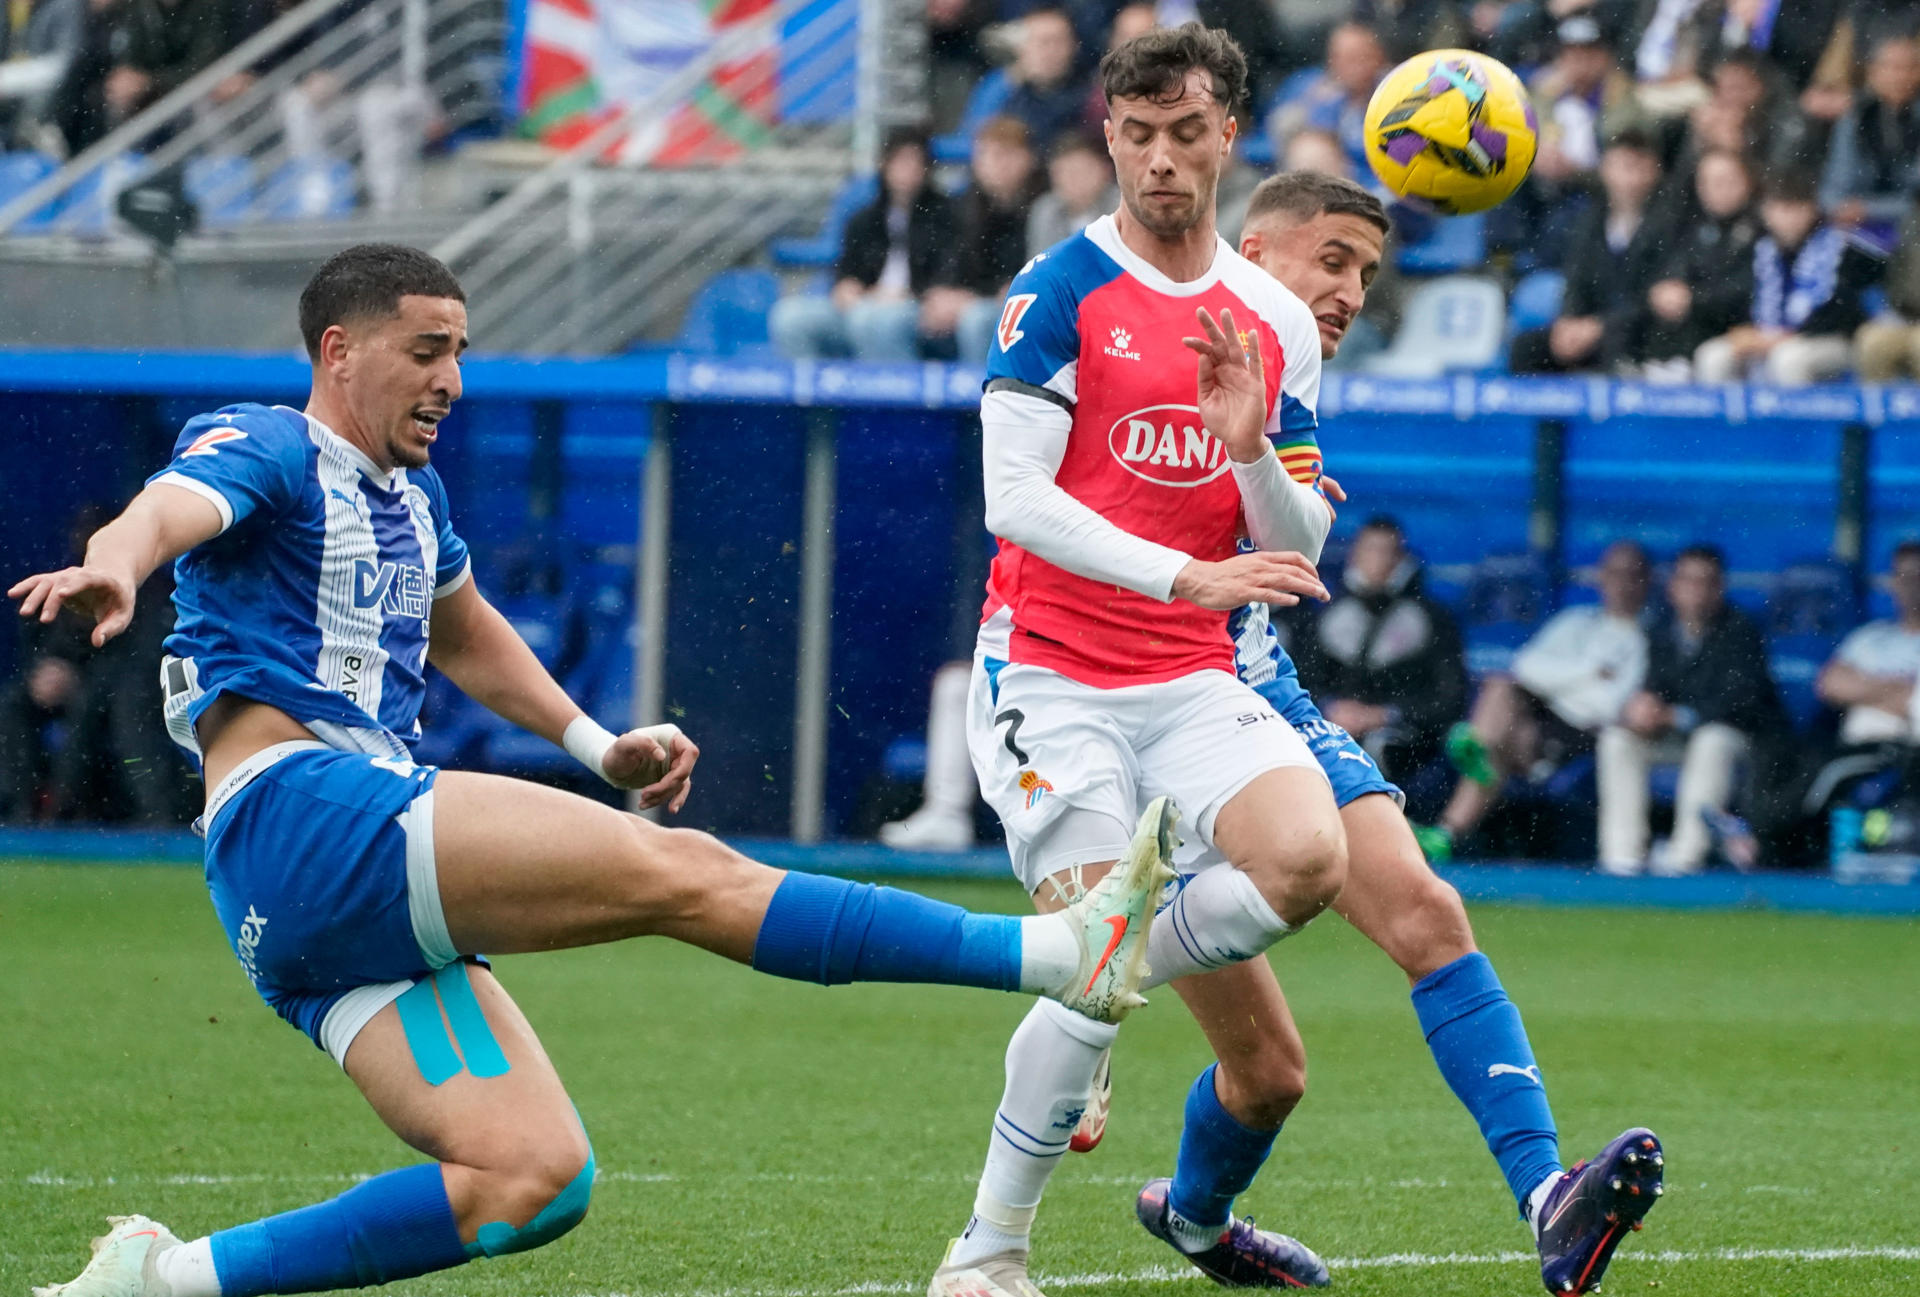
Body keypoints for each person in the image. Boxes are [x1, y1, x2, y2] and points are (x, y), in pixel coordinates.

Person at [20, 243, 1175, 1297]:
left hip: (304, 908)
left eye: (461, 354)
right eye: (426, 352)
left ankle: (162, 1282)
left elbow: (464, 627)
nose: (451, 381)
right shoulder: (274, 443)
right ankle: (1059, 955)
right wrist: (118, 561)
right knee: (679, 873)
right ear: (338, 350)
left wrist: (593, 743)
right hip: (306, 812)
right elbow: (172, 506)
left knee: (529, 1177)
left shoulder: (414, 499)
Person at [927, 24, 1352, 1296]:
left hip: (1185, 674)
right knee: (1096, 974)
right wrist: (1186, 572)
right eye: (1137, 134)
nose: (1162, 159)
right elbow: (1013, 498)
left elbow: (1302, 538)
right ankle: (986, 1254)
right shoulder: (1056, 289)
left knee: (1307, 859)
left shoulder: (1277, 317)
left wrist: (1246, 452)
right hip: (1049, 669)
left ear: (1229, 134)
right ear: (1108, 135)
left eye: (1186, 132)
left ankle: (1099, 963)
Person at [1422, 540, 1653, 859]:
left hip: (1580, 736)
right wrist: (1590, 672)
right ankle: (1445, 835)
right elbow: (1526, 666)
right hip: (1535, 719)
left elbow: (1607, 705)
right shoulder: (1577, 620)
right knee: (1501, 685)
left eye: (1631, 574)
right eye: (1614, 573)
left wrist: (1556, 682)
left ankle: (1473, 748)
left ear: (1646, 580)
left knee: (1496, 740)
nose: (1622, 583)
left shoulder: (1647, 638)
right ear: (1601, 576)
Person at [1597, 544, 1786, 876]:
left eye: (1706, 581)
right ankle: (1621, 859)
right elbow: (1654, 685)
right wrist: (1645, 709)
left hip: (1739, 741)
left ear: (1721, 588)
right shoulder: (1660, 630)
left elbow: (1738, 703)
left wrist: (1676, 715)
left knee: (1712, 740)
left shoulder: (1741, 631)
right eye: (1688, 580)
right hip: (1675, 738)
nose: (1696, 590)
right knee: (1617, 740)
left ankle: (1684, 859)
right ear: (1673, 586)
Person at [1290, 514, 1468, 782]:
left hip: (1405, 735)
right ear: (1354, 556)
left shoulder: (1432, 619)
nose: (1377, 561)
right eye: (1369, 550)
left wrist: (1386, 714)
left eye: (1386, 552)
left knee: (1380, 751)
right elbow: (1303, 680)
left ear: (1401, 558)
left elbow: (1449, 698)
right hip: (1334, 726)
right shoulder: (1328, 615)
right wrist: (1330, 707)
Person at [769, 129, 956, 361]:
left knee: (874, 320)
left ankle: (890, 392)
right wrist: (846, 286)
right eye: (900, 161)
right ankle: (814, 396)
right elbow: (847, 270)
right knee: (790, 317)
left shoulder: (946, 216)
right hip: (866, 303)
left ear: (927, 168)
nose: (907, 170)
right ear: (885, 164)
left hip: (913, 309)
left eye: (914, 161)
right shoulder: (864, 218)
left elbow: (948, 276)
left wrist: (909, 295)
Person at [1692, 170, 1882, 385]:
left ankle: (1798, 419)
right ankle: (1731, 420)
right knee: (1712, 355)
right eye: (1779, 208)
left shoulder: (1841, 248)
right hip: (1767, 337)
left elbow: (1842, 312)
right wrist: (1746, 332)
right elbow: (1741, 298)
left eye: (1794, 208)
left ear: (1811, 209)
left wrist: (1782, 337)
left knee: (1787, 358)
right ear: (1765, 212)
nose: (1786, 218)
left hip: (1831, 341)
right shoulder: (1759, 250)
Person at [1511, 127, 1676, 374]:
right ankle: (1547, 414)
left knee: (1617, 347)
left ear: (1655, 171)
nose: (1629, 178)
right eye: (1622, 166)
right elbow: (1576, 280)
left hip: (1641, 335)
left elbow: (1658, 298)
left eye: (1637, 167)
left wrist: (1601, 326)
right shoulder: (1589, 221)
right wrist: (1568, 322)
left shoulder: (1669, 226)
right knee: (1528, 347)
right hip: (1590, 329)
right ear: (1605, 169)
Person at [923, 114, 1044, 363]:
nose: (991, 164)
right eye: (984, 154)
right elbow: (948, 265)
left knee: (976, 319)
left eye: (1002, 154)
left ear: (1027, 158)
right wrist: (939, 294)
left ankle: (985, 398)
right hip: (968, 301)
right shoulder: (964, 206)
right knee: (887, 319)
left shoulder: (1042, 207)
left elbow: (1024, 276)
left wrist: (975, 298)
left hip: (1022, 308)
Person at [1634, 147, 1760, 380]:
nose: (1716, 190)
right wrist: (1665, 292)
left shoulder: (1761, 230)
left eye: (1725, 181)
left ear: (1747, 181)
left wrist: (1695, 299)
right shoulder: (1695, 226)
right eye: (1707, 182)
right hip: (1693, 325)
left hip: (1739, 327)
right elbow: (1675, 268)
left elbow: (1747, 290)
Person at [953, 7, 1088, 157]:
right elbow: (973, 143)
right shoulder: (1002, 91)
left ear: (1075, 46)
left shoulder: (1094, 96)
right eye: (1041, 42)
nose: (1050, 51)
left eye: (1058, 41)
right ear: (1020, 48)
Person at [1820, 33, 1920, 234]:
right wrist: (1846, 208)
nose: (1900, 76)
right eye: (1891, 67)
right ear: (1873, 71)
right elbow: (1833, 189)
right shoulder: (1856, 116)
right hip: (1860, 230)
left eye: (1910, 67)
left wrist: (1869, 209)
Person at [1265, 22, 1389, 179]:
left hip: (1391, 184)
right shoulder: (1321, 94)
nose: (1356, 67)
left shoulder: (1396, 88)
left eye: (1362, 56)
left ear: (1379, 56)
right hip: (1345, 187)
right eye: (1345, 58)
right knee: (1308, 150)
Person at [1024, 127, 1115, 256]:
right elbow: (1039, 266)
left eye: (1082, 170)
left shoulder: (1122, 207)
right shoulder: (1046, 211)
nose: (1074, 179)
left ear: (1105, 170)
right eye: (1065, 172)